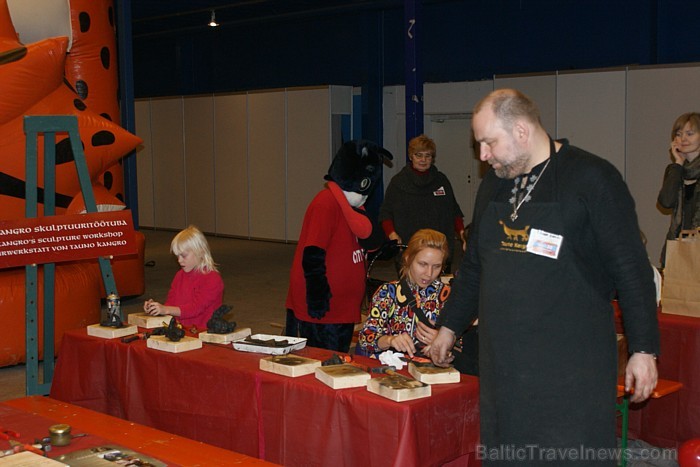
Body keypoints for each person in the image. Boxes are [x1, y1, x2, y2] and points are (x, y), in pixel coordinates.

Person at [429, 89, 659, 465]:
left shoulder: (591, 178)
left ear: (521, 131)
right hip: (504, 372)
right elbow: (474, 266)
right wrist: (449, 327)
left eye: (489, 143)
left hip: (570, 377)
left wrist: (644, 349)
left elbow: (631, 269)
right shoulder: (495, 184)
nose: (482, 156)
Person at [286, 140, 392, 352]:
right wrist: (317, 297)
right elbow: (312, 253)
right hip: (323, 312)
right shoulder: (325, 203)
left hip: (344, 308)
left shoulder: (355, 208)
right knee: (322, 366)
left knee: (338, 363)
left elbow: (365, 241)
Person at [356, 228, 478, 374]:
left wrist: (445, 342)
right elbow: (365, 338)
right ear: (408, 259)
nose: (429, 273)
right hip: (393, 375)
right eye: (422, 264)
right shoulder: (387, 292)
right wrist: (389, 340)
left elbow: (468, 349)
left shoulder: (451, 297)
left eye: (437, 266)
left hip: (434, 377)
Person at [379, 134, 466, 272]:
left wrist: (463, 235)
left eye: (428, 156)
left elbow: (454, 212)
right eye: (418, 155)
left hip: (439, 251)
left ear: (432, 158)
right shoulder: (398, 182)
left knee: (439, 292)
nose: (423, 160)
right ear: (411, 156)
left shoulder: (441, 181)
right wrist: (392, 234)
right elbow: (385, 214)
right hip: (409, 251)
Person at [144, 225, 224, 329]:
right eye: (177, 256)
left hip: (203, 333)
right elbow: (170, 304)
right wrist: (156, 308)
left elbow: (195, 309)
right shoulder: (179, 275)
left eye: (184, 256)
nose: (179, 260)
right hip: (181, 330)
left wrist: (166, 309)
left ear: (200, 252)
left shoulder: (212, 279)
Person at [657, 112, 700, 266]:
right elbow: (666, 202)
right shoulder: (674, 170)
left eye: (690, 133)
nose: (683, 139)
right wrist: (678, 164)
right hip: (678, 244)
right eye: (679, 134)